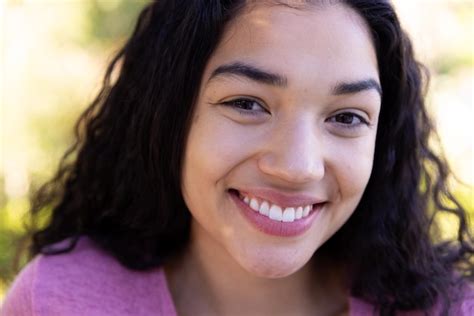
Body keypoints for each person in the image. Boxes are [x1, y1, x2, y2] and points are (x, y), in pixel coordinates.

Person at [1, 0, 473, 315]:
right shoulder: (57, 301)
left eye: (346, 117)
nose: (297, 166)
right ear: (169, 114)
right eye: (247, 104)